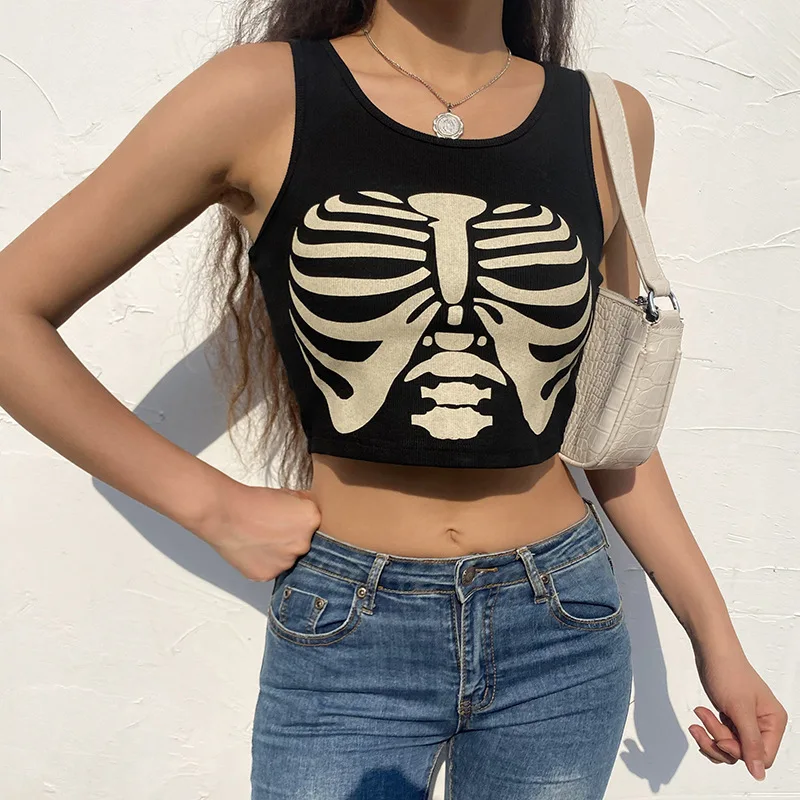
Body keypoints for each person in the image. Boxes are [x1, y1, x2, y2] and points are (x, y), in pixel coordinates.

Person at [0, 1, 787, 798]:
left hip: (563, 631)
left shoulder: (609, 121)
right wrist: (212, 506)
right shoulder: (259, 95)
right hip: (350, 631)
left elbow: (609, 428)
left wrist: (715, 637)